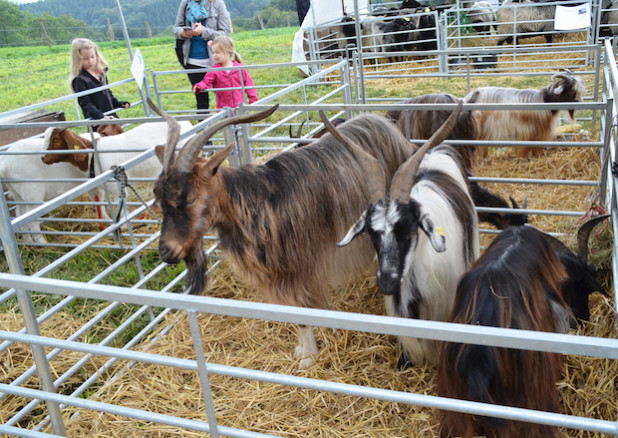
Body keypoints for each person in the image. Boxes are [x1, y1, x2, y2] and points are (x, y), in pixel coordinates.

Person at [174, 0, 232, 111]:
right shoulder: (185, 3)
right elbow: (176, 28)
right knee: (201, 102)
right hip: (192, 61)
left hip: (217, 61)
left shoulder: (217, 3)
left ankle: (230, 126)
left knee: (226, 98)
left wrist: (203, 32)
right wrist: (182, 32)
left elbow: (225, 33)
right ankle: (204, 127)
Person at [69, 38, 130, 126]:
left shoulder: (101, 74)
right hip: (98, 123)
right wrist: (100, 116)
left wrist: (118, 104)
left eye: (92, 57)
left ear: (96, 55)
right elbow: (85, 103)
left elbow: (107, 93)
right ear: (77, 59)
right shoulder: (79, 80)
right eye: (85, 58)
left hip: (112, 117)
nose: (90, 61)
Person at [192, 36, 258, 109]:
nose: (214, 55)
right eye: (213, 52)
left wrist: (253, 100)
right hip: (223, 109)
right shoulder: (214, 70)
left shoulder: (239, 68)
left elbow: (249, 85)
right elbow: (206, 82)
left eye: (217, 52)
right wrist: (199, 86)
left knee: (241, 120)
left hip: (240, 108)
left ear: (228, 53)